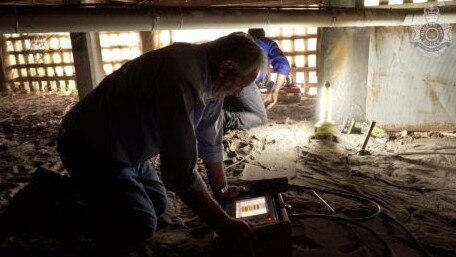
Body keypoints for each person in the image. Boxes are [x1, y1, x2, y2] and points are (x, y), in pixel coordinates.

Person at [56, 32, 267, 255]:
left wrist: (221, 189)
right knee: (140, 223)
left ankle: (88, 192)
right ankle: (51, 203)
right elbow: (179, 174)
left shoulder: (212, 78)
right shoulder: (182, 78)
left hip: (126, 149)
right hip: (89, 146)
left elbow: (210, 137)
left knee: (157, 202)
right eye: (241, 84)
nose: (240, 92)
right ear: (226, 68)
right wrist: (224, 225)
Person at [223, 28, 291, 130]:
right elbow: (284, 65)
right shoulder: (266, 43)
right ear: (263, 35)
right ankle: (220, 118)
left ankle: (215, 112)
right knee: (260, 118)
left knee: (237, 107)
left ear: (249, 34)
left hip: (222, 78)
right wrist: (275, 91)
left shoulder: (242, 43)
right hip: (242, 78)